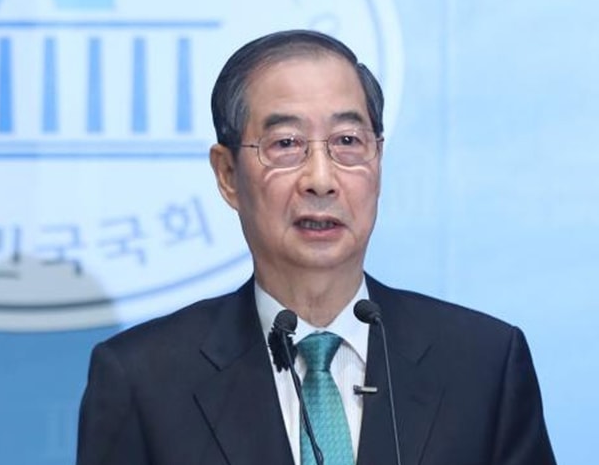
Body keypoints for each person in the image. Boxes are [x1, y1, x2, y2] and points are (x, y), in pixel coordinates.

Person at [76, 30, 556, 465]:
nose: (321, 179)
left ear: (378, 159)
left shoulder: (482, 365)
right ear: (228, 175)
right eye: (286, 144)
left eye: (347, 141)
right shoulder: (144, 381)